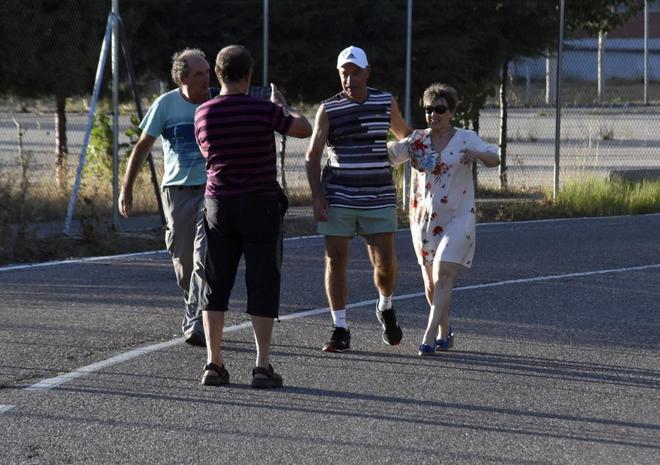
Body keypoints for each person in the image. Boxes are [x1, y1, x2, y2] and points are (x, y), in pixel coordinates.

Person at [194, 45, 312, 388]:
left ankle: (214, 362)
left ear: (218, 74)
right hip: (260, 203)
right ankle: (261, 365)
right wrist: (281, 106)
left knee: (215, 283)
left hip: (219, 204)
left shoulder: (203, 113)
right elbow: (302, 128)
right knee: (262, 281)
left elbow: (206, 151)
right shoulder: (264, 110)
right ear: (249, 75)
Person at [305, 45, 411, 353]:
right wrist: (317, 196)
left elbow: (405, 134)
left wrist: (425, 147)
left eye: (355, 72)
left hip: (378, 195)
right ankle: (340, 328)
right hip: (339, 194)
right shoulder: (329, 108)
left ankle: (385, 305)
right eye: (344, 73)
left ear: (367, 72)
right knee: (335, 259)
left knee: (385, 264)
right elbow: (312, 158)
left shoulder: (384, 101)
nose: (350, 79)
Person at [387, 83, 500, 356]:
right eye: (428, 109)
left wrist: (478, 155)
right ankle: (444, 331)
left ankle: (427, 337)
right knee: (431, 284)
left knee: (444, 273)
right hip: (423, 221)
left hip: (459, 218)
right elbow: (389, 155)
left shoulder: (465, 138)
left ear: (451, 112)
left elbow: (494, 157)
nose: (433, 114)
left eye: (439, 109)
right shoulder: (416, 140)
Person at [119, 48, 218, 348]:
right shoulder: (166, 105)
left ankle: (195, 319)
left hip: (211, 190)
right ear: (182, 77)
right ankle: (193, 303)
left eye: (208, 72)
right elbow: (142, 147)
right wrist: (127, 188)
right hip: (176, 191)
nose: (207, 78)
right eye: (200, 73)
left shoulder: (216, 102)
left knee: (204, 257)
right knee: (184, 260)